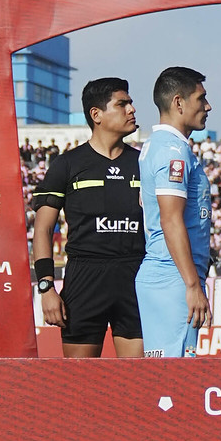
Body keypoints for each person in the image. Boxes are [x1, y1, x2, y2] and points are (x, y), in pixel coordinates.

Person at [31, 76, 145, 358]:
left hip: (136, 277)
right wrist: (46, 288)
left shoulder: (144, 163)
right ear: (96, 114)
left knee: (139, 385)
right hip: (85, 278)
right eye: (123, 104)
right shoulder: (67, 164)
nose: (132, 110)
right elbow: (43, 230)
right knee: (78, 386)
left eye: (130, 103)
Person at [135, 67, 215, 358]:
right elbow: (170, 219)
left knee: (167, 379)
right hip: (173, 276)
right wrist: (192, 285)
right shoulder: (172, 151)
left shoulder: (162, 146)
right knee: (173, 384)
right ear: (179, 102)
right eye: (201, 98)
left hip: (169, 274)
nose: (208, 106)